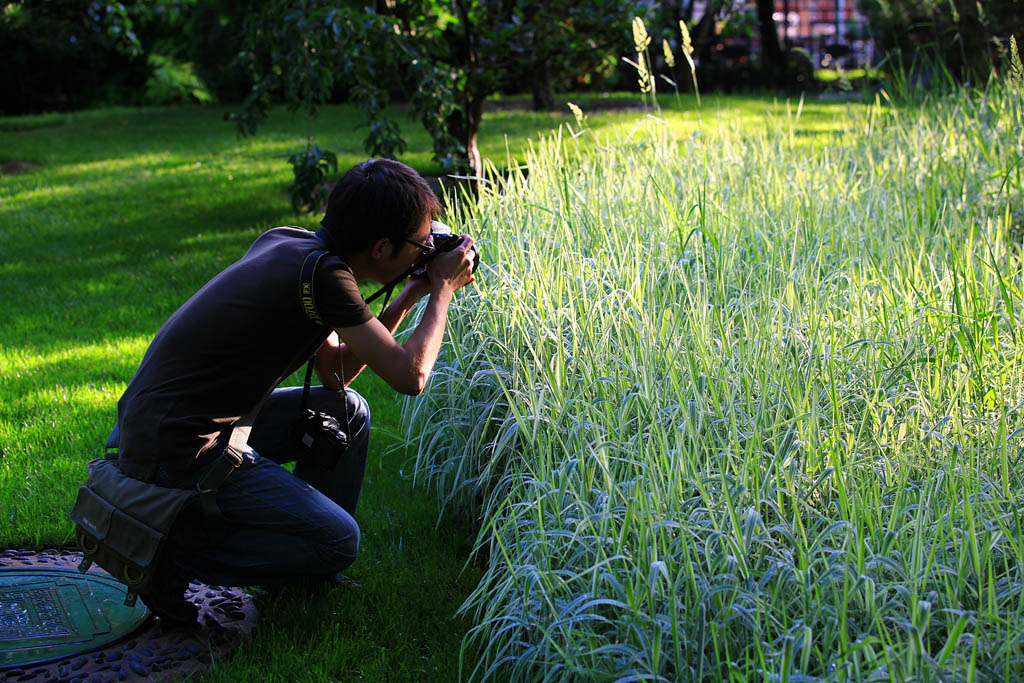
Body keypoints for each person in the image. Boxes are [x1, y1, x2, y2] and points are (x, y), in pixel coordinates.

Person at [112, 158, 476, 624]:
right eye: (421, 242)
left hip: (164, 426)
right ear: (382, 247)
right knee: (340, 542)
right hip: (178, 451)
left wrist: (409, 294)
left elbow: (335, 372)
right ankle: (167, 558)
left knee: (347, 409)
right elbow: (411, 377)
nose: (427, 249)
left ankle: (309, 571)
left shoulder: (295, 247)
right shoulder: (324, 278)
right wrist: (443, 288)